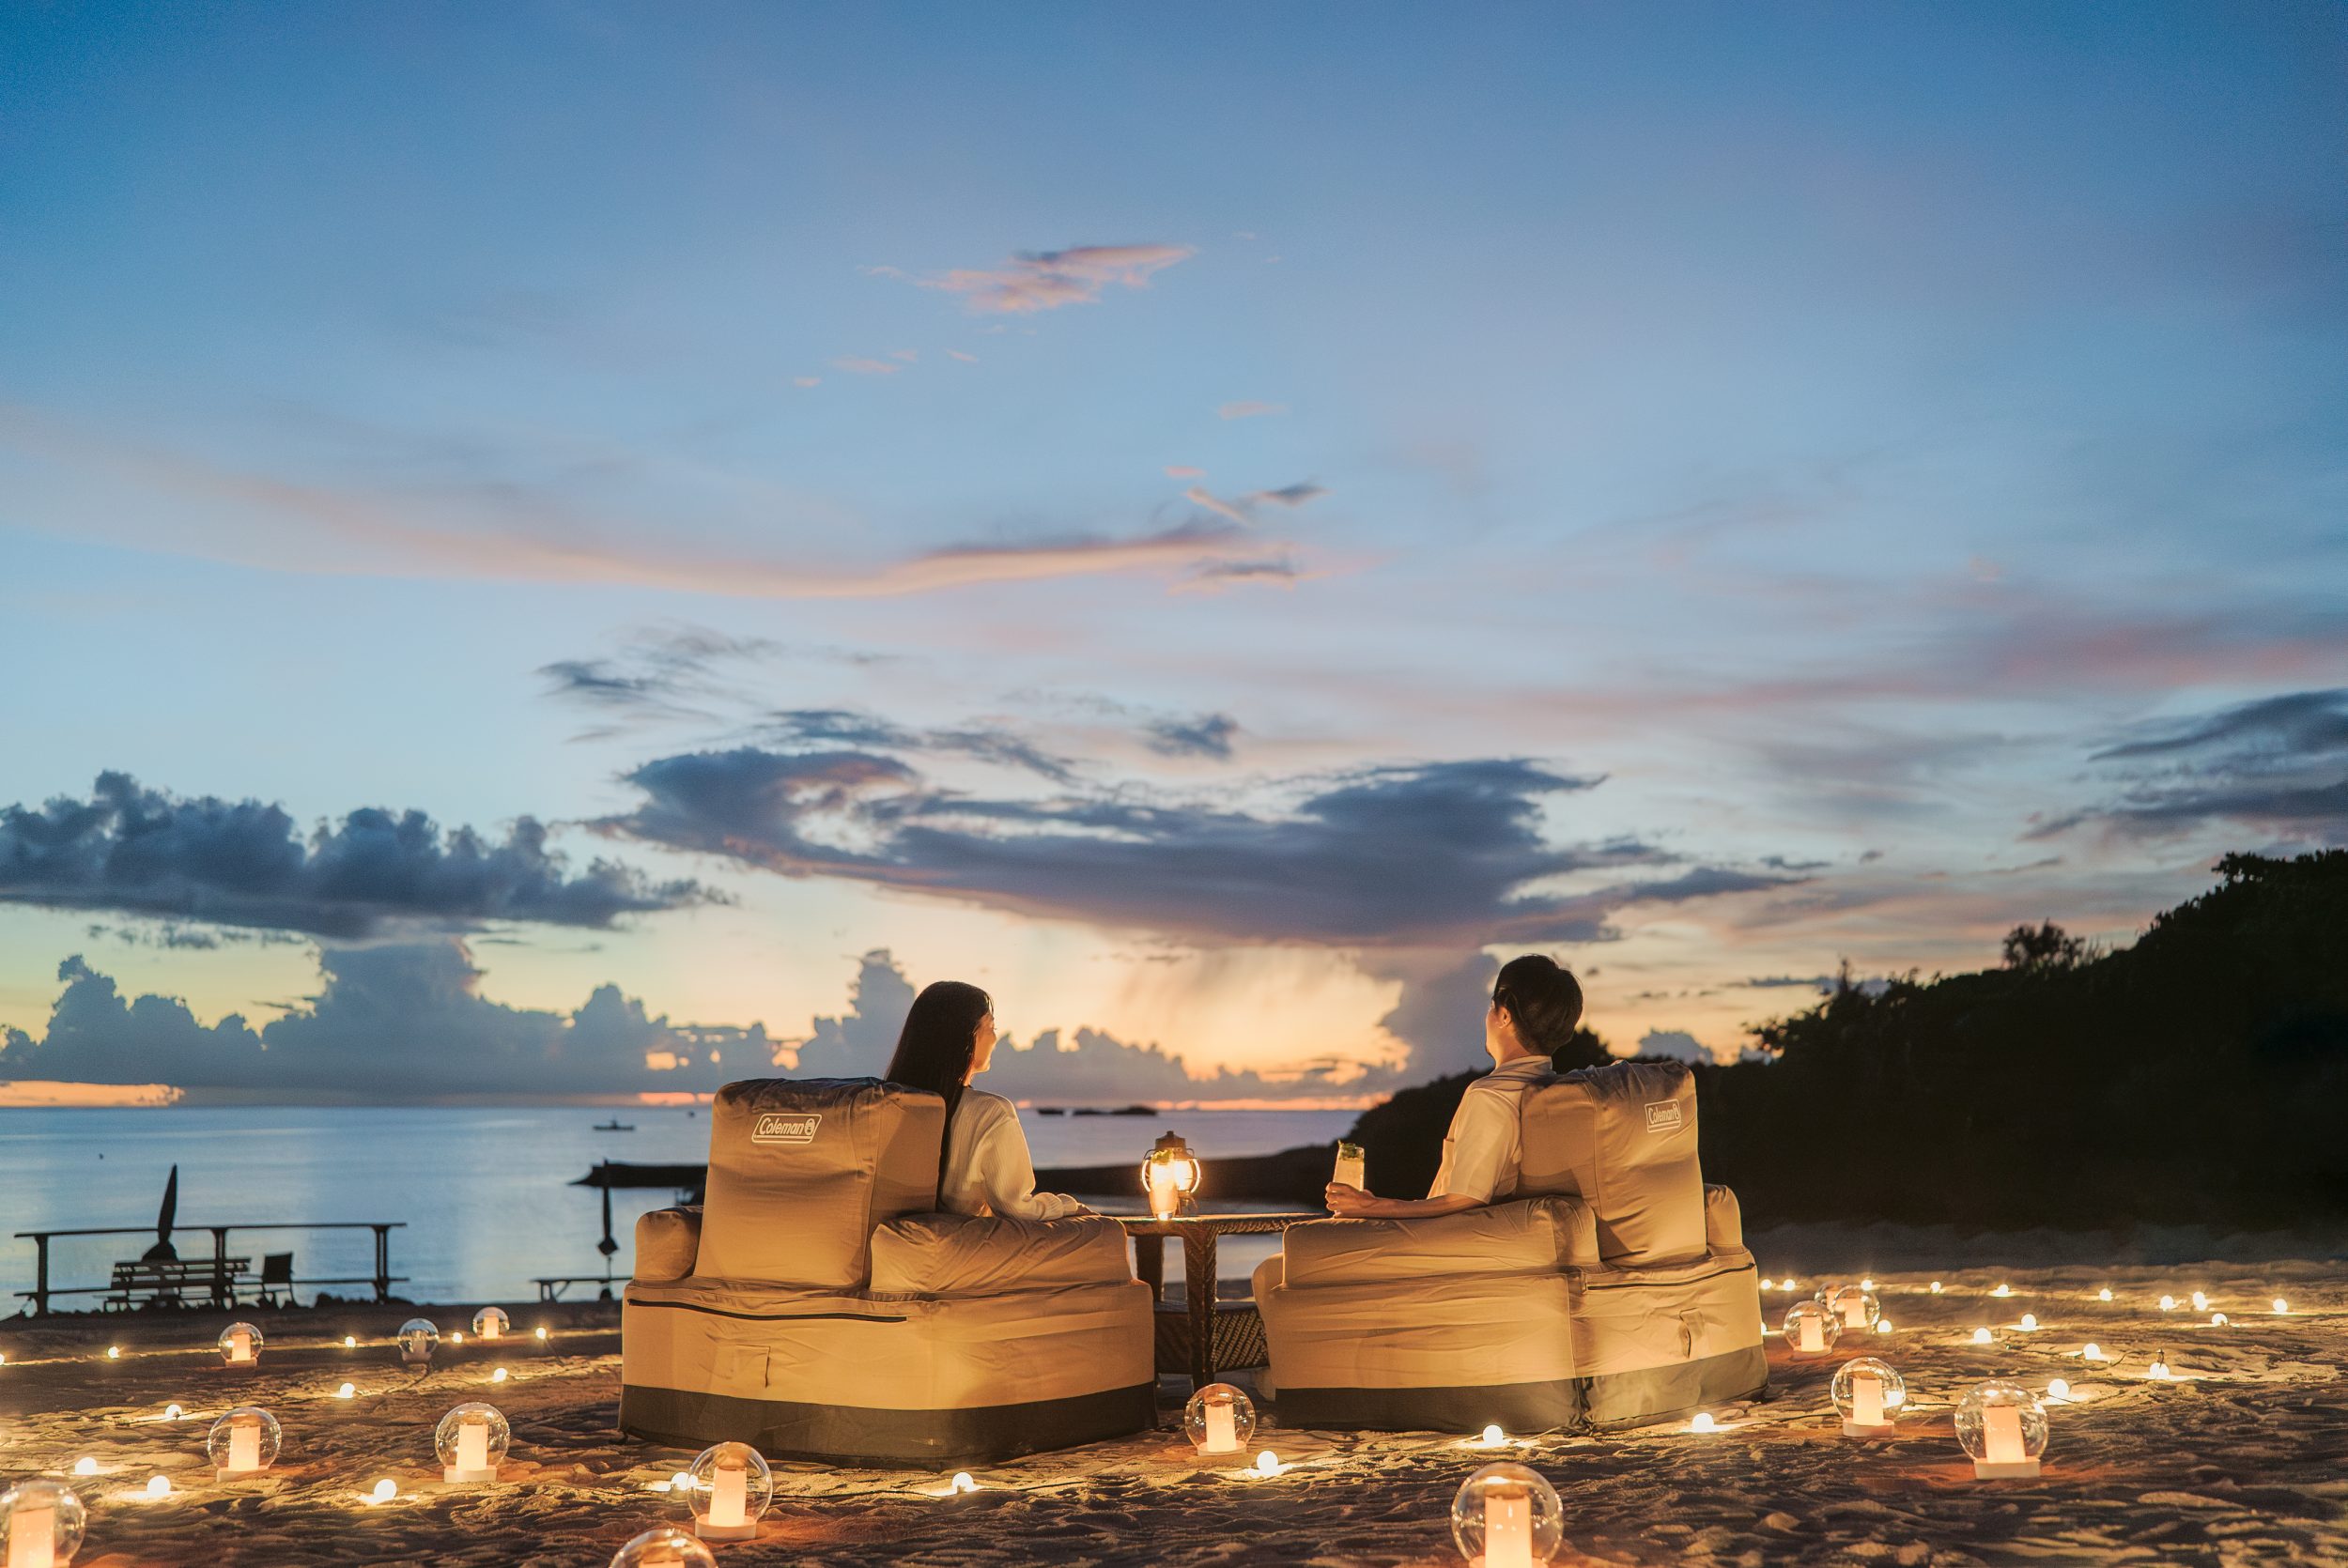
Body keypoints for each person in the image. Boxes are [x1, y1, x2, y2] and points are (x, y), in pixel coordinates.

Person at [1325, 955, 1584, 1219]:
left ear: (1504, 1015)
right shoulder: (1555, 1089)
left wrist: (1371, 1206)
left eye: (1491, 1007)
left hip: (1453, 1235)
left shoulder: (1492, 1095)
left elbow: (1465, 1199)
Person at [883, 979, 1089, 1222]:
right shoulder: (991, 1112)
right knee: (1098, 1231)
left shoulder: (888, 1105)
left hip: (892, 1241)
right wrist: (1067, 1206)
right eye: (991, 1027)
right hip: (958, 1244)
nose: (995, 1038)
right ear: (965, 1037)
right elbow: (1016, 1209)